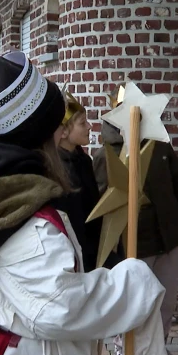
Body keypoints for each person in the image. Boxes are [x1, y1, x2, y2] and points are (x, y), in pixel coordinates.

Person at [0, 51, 170, 355]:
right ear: (40, 135)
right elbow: (60, 308)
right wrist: (135, 281)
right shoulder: (29, 224)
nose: (60, 134)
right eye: (55, 127)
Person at [94, 85, 178, 355]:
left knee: (166, 301)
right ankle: (122, 348)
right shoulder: (106, 154)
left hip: (168, 237)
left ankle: (158, 348)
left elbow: (177, 182)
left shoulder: (160, 145)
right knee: (134, 304)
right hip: (135, 243)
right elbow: (104, 202)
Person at [54, 88, 121, 271]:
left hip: (95, 254)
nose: (90, 127)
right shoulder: (56, 170)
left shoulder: (83, 161)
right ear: (65, 132)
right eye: (83, 123)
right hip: (75, 259)